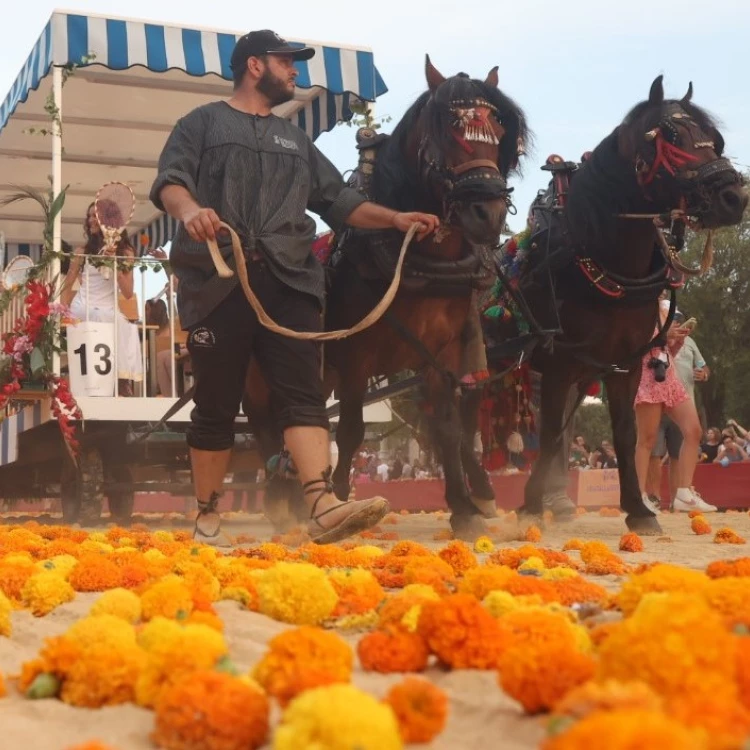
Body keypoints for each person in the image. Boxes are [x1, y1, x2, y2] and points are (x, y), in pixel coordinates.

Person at [150, 30, 440, 544]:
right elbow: (171, 182)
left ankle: (322, 503)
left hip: (291, 280)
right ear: (255, 65)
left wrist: (396, 218)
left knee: (304, 394)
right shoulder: (199, 124)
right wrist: (190, 210)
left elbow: (342, 203)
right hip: (218, 283)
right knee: (216, 402)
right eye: (289, 63)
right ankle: (207, 511)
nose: (297, 73)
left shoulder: (296, 142)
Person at [634, 300, 716, 514]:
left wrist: (677, 340)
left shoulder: (664, 310)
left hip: (670, 377)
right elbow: (637, 341)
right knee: (647, 439)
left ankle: (684, 493)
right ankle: (638, 495)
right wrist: (664, 333)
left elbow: (668, 350)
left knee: (694, 431)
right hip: (648, 376)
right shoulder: (639, 310)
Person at [61, 204, 143, 396]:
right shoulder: (82, 251)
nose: (90, 220)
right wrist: (63, 311)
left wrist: (114, 261)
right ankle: (99, 383)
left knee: (125, 325)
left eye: (94, 216)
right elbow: (69, 282)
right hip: (83, 306)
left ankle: (121, 380)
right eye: (88, 216)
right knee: (102, 317)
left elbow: (128, 292)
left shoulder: (126, 252)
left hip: (108, 309)